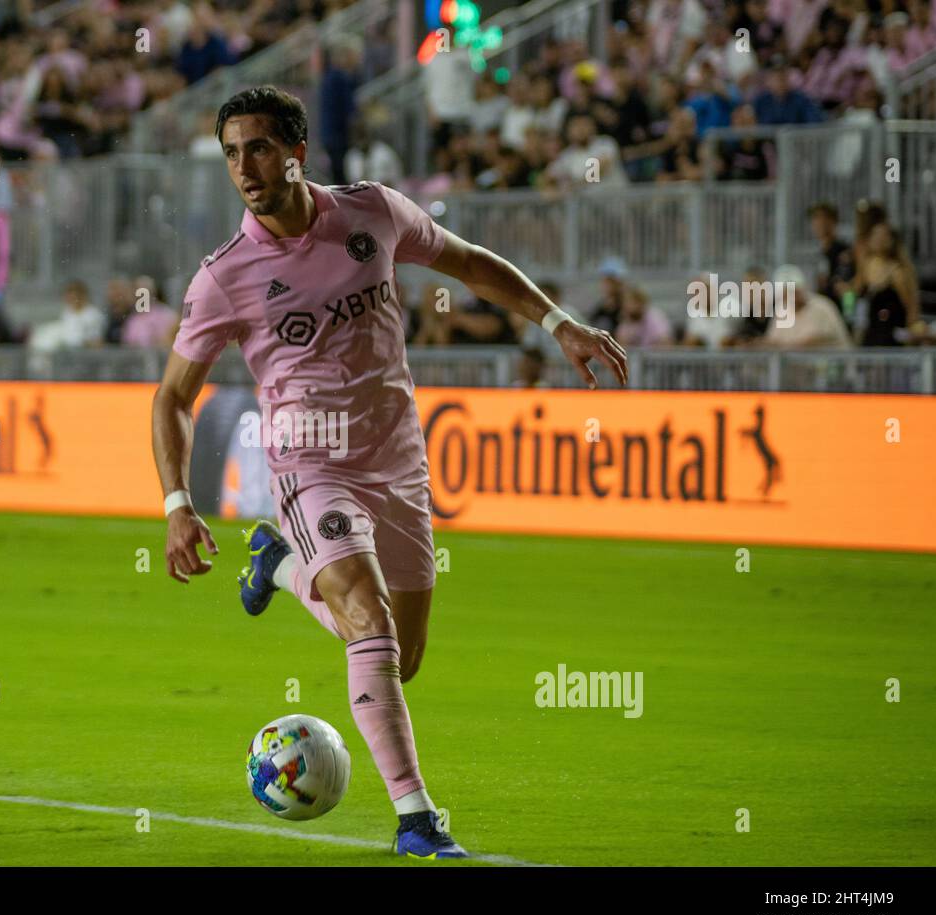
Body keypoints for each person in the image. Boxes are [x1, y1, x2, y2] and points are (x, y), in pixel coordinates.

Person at [151, 86, 627, 861]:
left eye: (260, 147)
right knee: (366, 621)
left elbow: (466, 262)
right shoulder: (224, 276)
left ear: (297, 152)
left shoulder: (371, 212)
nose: (245, 166)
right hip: (309, 459)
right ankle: (417, 820)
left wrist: (557, 322)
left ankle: (278, 567)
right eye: (232, 152)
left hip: (397, 456)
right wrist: (177, 501)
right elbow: (173, 395)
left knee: (401, 657)